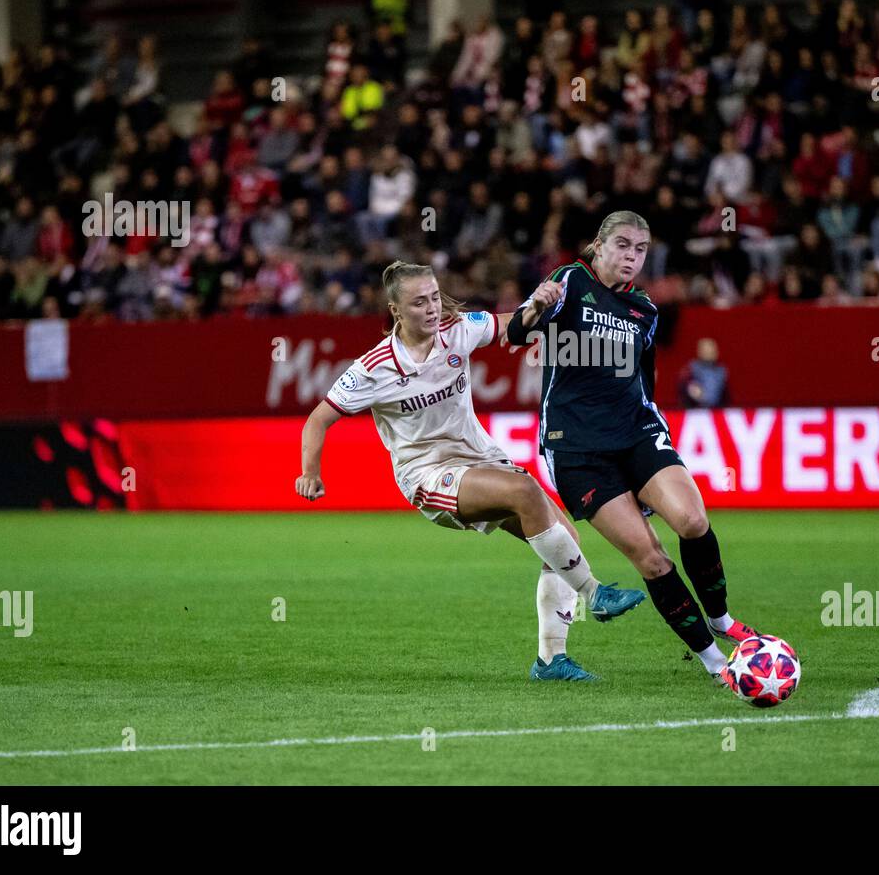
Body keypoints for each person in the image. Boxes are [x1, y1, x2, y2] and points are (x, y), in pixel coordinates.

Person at [296, 261, 646, 681]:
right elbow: (318, 419)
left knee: (563, 539)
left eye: (434, 297)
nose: (431, 308)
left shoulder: (458, 330)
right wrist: (310, 473)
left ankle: (551, 660)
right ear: (395, 310)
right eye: (418, 302)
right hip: (427, 475)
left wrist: (536, 304)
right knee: (525, 493)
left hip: (480, 460)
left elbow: (510, 325)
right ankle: (596, 593)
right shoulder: (374, 368)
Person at [505, 211, 756, 685]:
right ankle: (715, 663)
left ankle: (722, 619)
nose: (631, 257)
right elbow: (519, 333)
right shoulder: (570, 282)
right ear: (598, 245)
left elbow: (645, 383)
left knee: (693, 520)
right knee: (652, 557)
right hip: (578, 448)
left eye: (640, 250)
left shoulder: (645, 310)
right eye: (622, 245)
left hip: (638, 433)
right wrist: (535, 305)